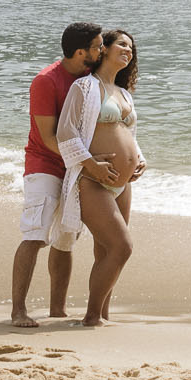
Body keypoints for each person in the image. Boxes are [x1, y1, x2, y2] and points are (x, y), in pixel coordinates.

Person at [50, 27, 147, 327]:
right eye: (122, 44)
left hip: (122, 184)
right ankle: (91, 317)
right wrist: (91, 165)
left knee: (106, 250)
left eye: (131, 47)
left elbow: (127, 134)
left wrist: (139, 159)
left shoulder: (124, 93)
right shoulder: (84, 88)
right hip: (92, 181)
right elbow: (66, 135)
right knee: (122, 247)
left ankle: (103, 313)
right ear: (103, 49)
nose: (128, 50)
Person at [10, 22, 103, 329]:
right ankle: (18, 311)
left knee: (65, 240)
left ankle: (57, 311)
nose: (102, 51)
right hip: (44, 164)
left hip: (76, 167)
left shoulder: (92, 79)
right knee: (35, 235)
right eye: (97, 46)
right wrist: (88, 163)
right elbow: (49, 137)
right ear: (81, 52)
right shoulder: (46, 81)